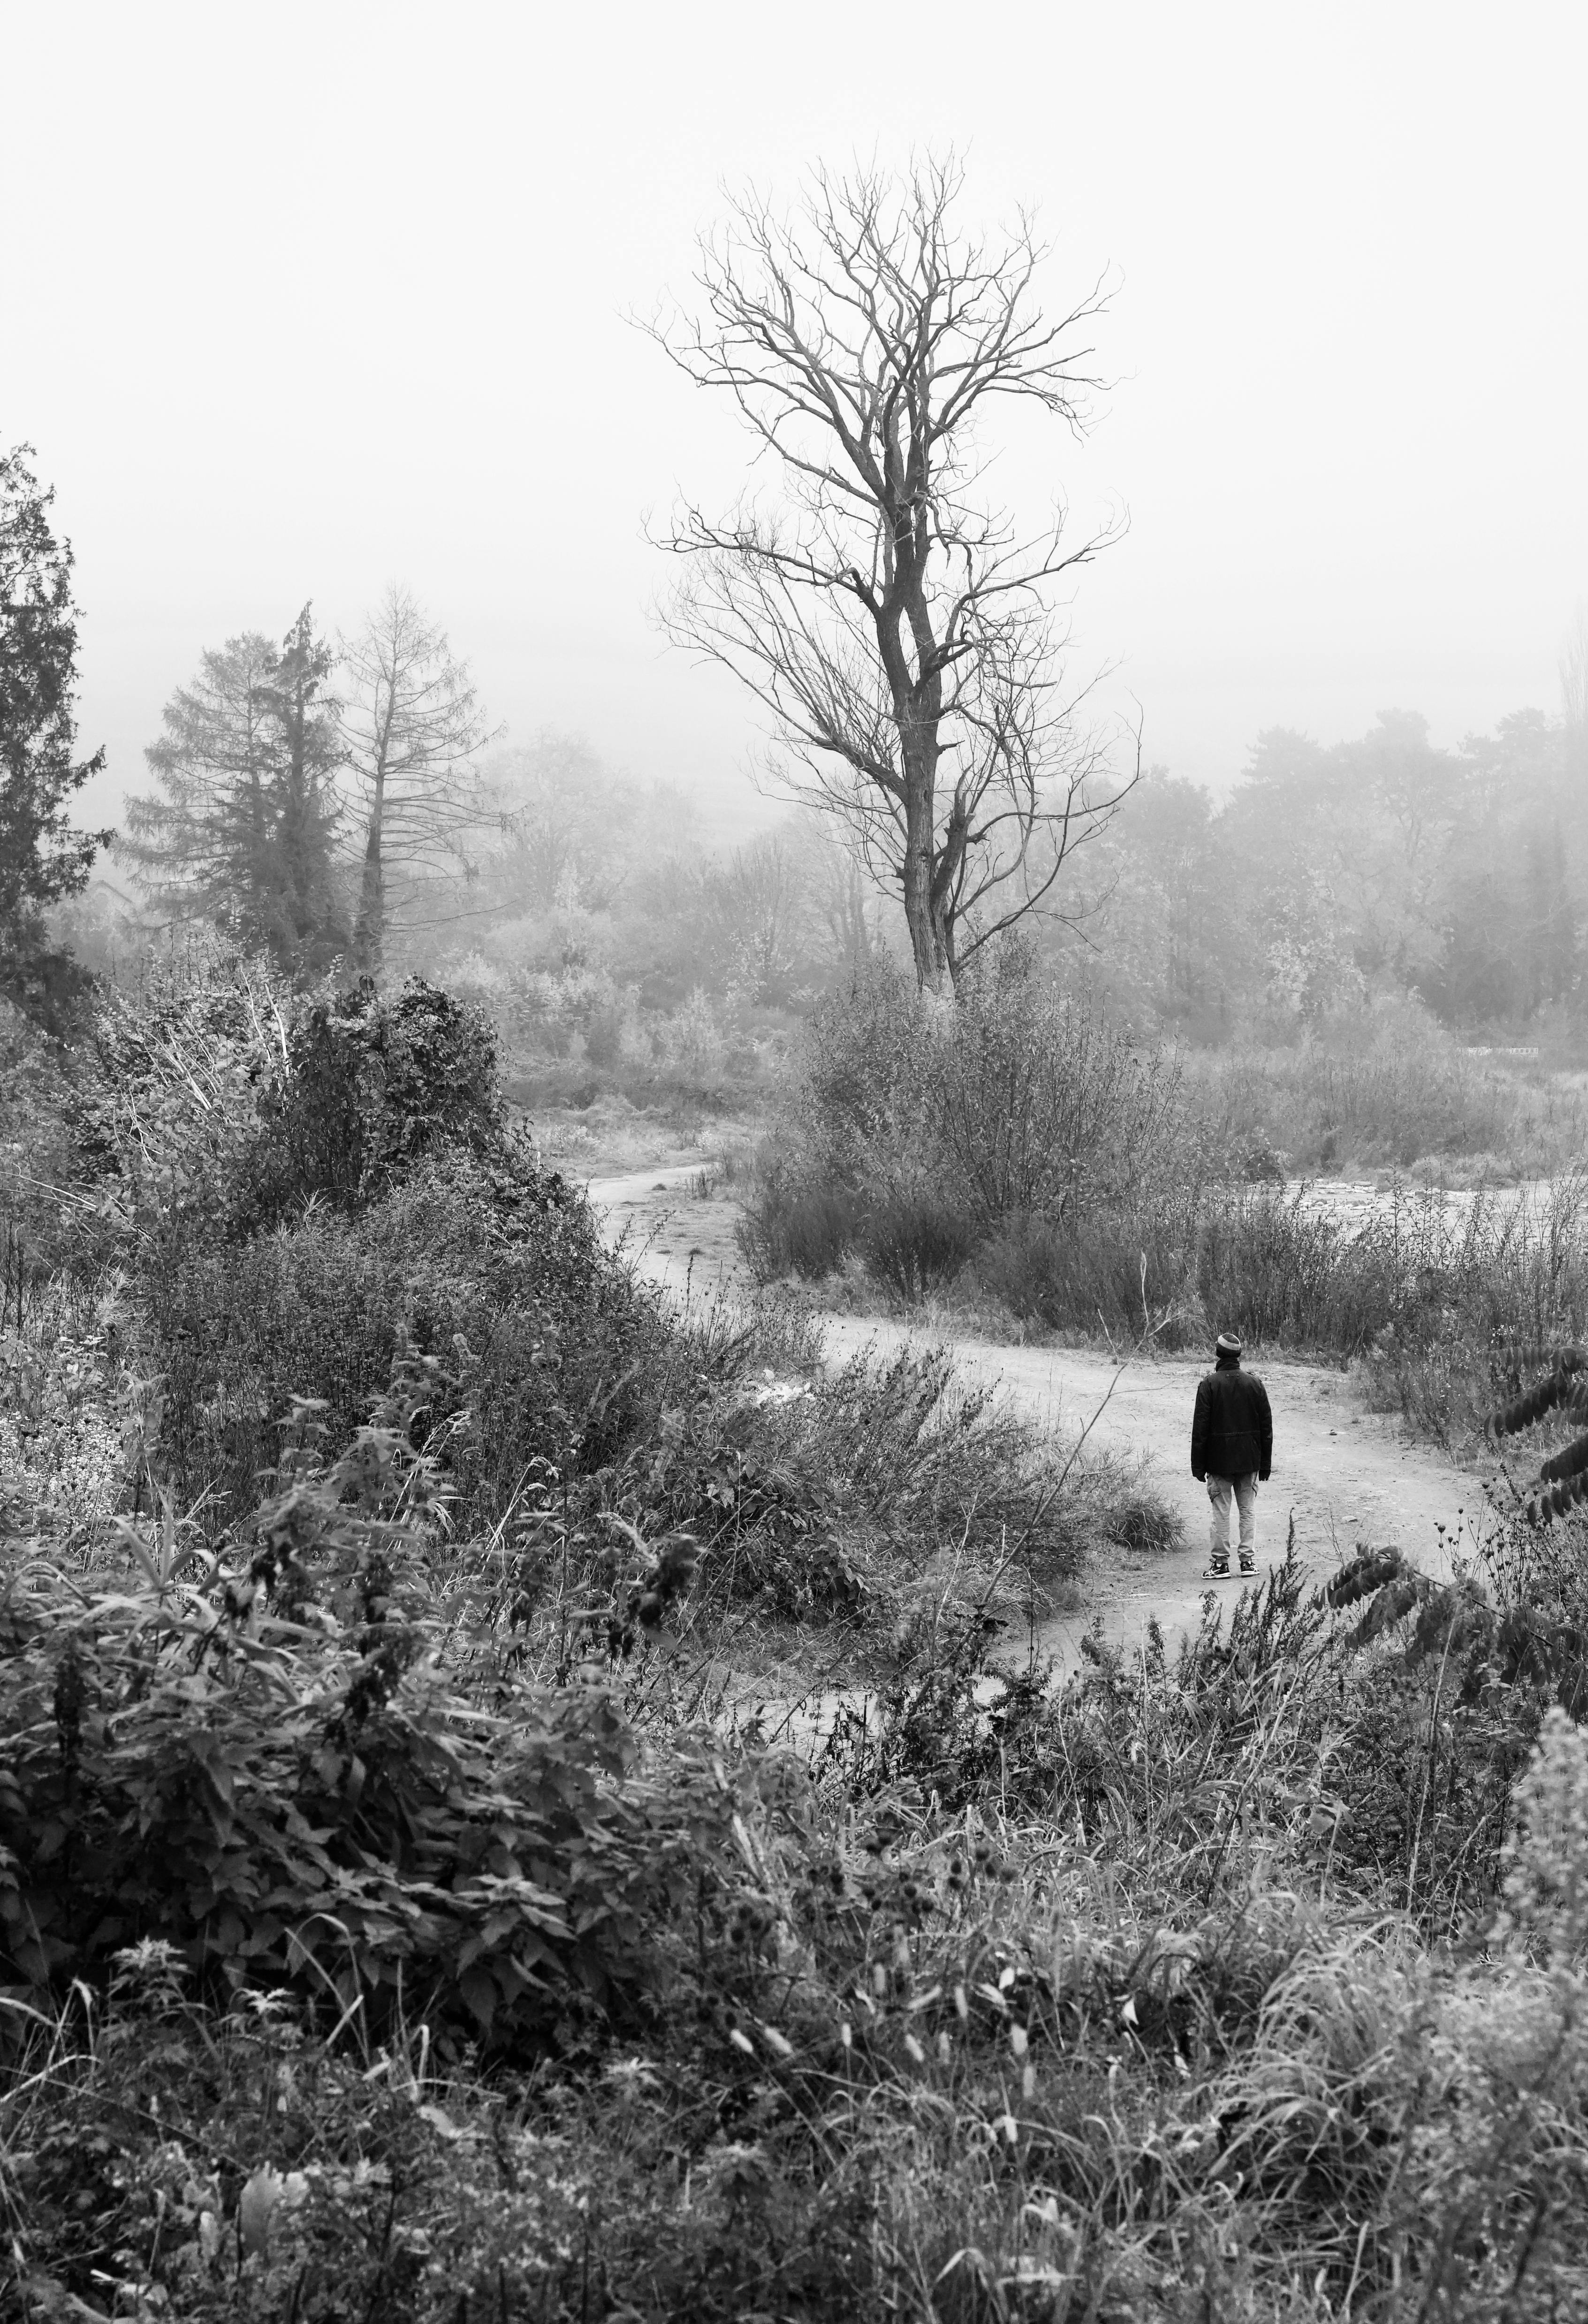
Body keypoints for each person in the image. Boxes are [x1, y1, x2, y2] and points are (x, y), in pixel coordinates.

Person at [1190, 1331, 1273, 1577]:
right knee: (1247, 1510)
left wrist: (1198, 1465)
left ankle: (1220, 1565)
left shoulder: (1209, 1385)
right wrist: (1265, 1464)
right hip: (1250, 1461)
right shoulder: (1255, 1384)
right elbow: (1266, 1428)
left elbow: (1200, 1429)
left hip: (1219, 1462)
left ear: (1218, 1353)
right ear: (1238, 1355)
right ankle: (1247, 1562)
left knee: (1221, 1512)